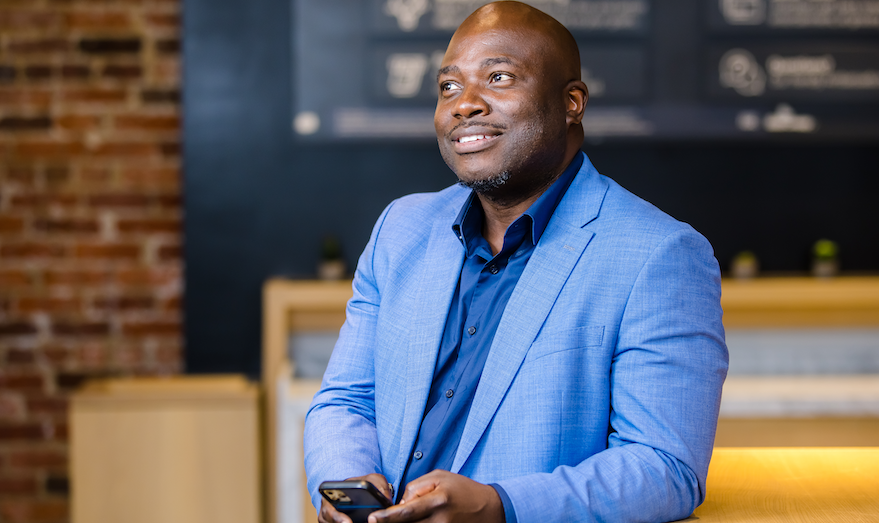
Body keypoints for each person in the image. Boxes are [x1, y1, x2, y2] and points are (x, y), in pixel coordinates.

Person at [304, 2, 728, 522]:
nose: (464, 105)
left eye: (498, 77)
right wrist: (346, 480)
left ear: (571, 102)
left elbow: (666, 468)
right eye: (449, 87)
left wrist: (501, 507)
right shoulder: (401, 229)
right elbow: (345, 401)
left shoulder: (661, 256)